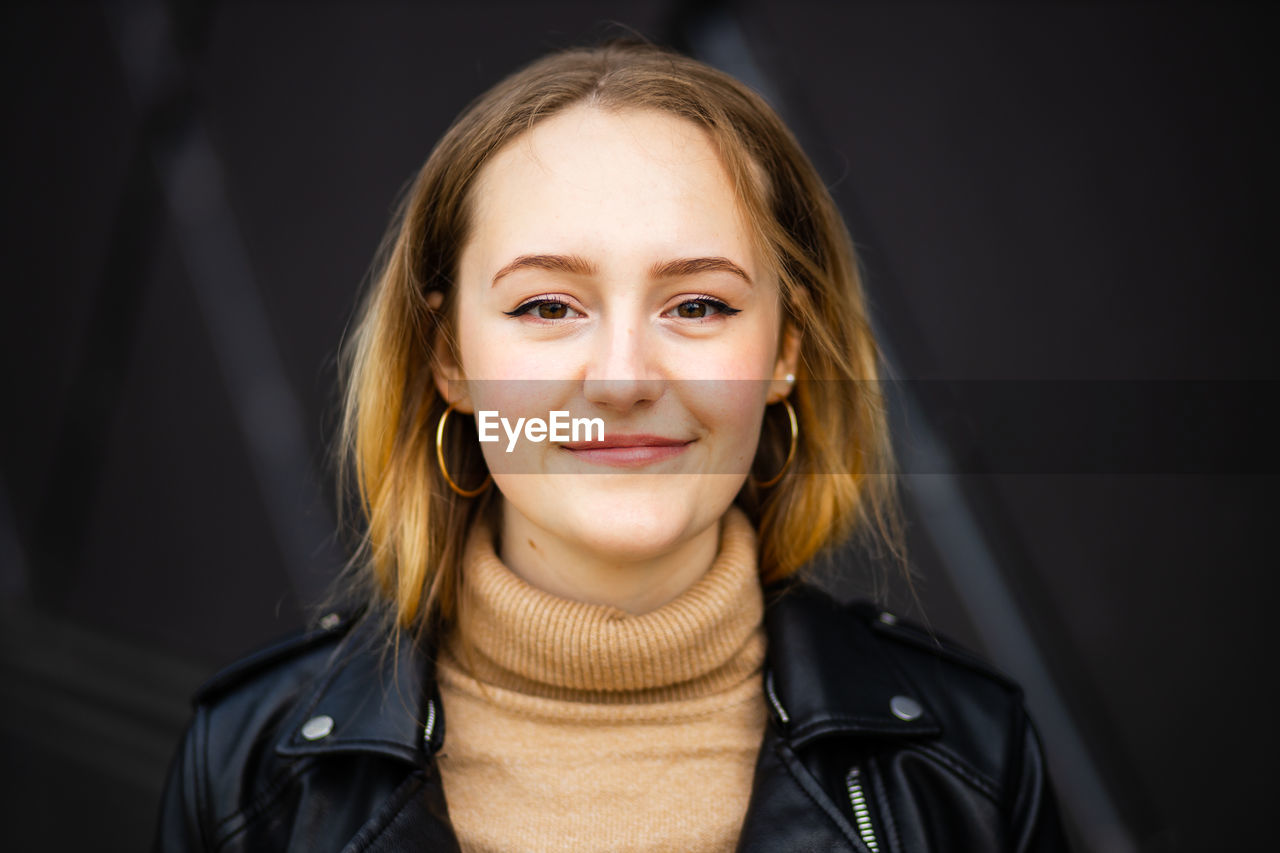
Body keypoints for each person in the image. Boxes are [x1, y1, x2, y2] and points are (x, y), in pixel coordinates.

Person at [154, 40, 1069, 852]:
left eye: (699, 304)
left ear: (786, 350)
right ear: (450, 359)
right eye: (547, 306)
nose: (624, 377)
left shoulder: (971, 761)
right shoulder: (248, 772)